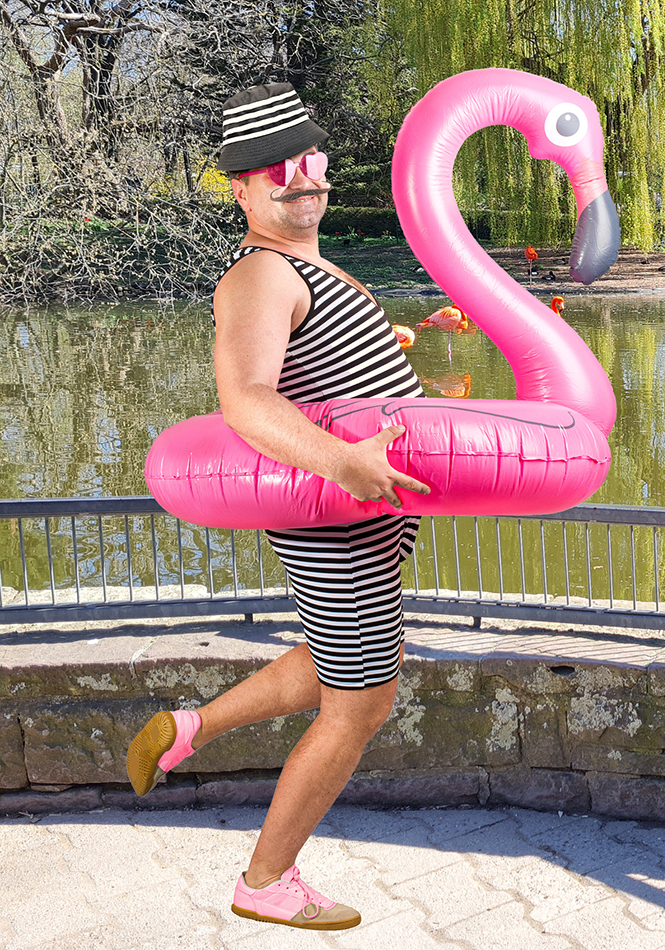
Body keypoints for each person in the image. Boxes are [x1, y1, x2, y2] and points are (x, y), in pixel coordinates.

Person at [125, 82, 431, 932]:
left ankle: (186, 727)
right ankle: (266, 879)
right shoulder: (261, 273)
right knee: (361, 702)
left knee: (330, 659)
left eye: (310, 163)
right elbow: (246, 400)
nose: (300, 180)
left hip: (367, 522)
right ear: (243, 189)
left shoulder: (312, 264)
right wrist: (343, 463)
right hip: (337, 517)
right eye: (274, 171)